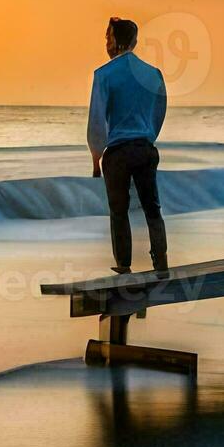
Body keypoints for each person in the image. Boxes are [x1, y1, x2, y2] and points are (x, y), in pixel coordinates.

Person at [87, 17, 169, 275]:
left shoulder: (103, 75)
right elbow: (159, 111)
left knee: (119, 211)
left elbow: (97, 120)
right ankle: (161, 262)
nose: (106, 43)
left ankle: (124, 266)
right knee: (152, 207)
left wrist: (96, 158)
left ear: (116, 41)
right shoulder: (153, 74)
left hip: (118, 151)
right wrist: (148, 136)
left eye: (107, 37)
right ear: (134, 41)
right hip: (145, 147)